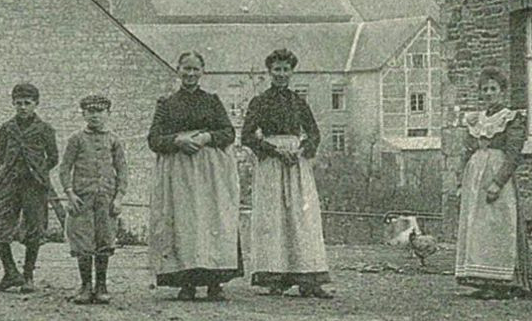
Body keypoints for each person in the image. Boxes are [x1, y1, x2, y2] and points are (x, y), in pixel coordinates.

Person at [146, 51, 241, 301]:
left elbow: (229, 133)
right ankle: (186, 282)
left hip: (210, 173)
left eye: (195, 69)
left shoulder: (211, 101)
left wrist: (208, 137)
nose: (190, 74)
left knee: (212, 223)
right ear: (178, 70)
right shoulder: (166, 103)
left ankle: (214, 283)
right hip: (179, 173)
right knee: (184, 224)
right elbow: (154, 139)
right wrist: (177, 140)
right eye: (185, 69)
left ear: (202, 72)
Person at [241, 48, 331, 299]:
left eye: (286, 70)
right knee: (274, 218)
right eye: (277, 70)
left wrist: (302, 149)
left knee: (302, 218)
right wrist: (273, 150)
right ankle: (275, 277)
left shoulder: (299, 101)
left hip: (296, 164)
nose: (281, 74)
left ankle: (308, 278)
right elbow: (247, 135)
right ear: (269, 72)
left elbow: (314, 133)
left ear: (292, 72)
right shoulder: (259, 102)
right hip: (271, 163)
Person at [455, 67, 532, 298]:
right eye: (485, 90)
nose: (489, 93)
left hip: (497, 174)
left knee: (498, 224)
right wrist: (461, 180)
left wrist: (498, 182)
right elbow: (468, 150)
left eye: (493, 89)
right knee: (478, 225)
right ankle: (481, 278)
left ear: (502, 91)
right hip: (475, 177)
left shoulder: (511, 118)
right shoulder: (477, 119)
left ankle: (501, 281)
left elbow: (513, 154)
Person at [0, 83, 59, 293]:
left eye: (27, 103)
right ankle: (10, 273)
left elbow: (53, 157)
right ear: (13, 104)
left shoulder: (45, 129)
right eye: (18, 103)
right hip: (10, 183)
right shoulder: (6, 128)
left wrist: (37, 171)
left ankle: (28, 276)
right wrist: (11, 170)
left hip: (34, 185)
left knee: (34, 229)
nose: (23, 107)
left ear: (36, 104)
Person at [59, 94, 127, 305]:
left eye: (99, 111)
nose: (95, 116)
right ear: (84, 114)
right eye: (90, 111)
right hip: (82, 199)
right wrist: (69, 193)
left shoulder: (114, 140)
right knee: (83, 241)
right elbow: (65, 168)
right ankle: (86, 286)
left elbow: (122, 170)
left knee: (104, 240)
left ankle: (102, 285)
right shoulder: (76, 139)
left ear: (108, 114)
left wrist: (119, 197)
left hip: (106, 199)